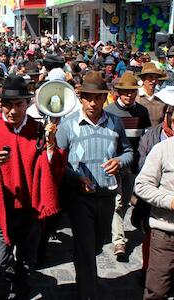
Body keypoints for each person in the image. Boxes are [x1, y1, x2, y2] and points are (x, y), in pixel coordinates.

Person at [0, 76, 66, 299]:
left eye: (19, 104)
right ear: (1, 104)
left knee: (25, 264)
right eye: (8, 104)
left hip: (29, 210)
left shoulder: (39, 130)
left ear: (27, 104)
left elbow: (53, 170)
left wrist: (51, 147)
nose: (13, 110)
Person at [56, 71, 133, 300]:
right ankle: (87, 292)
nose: (92, 102)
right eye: (87, 97)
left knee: (98, 242)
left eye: (97, 97)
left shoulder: (115, 123)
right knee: (85, 245)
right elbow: (57, 164)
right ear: (81, 97)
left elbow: (128, 152)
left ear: (104, 98)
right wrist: (75, 178)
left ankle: (85, 277)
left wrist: (119, 162)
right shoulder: (68, 125)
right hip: (79, 198)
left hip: (107, 195)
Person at [104, 71, 151, 258]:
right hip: (115, 164)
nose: (129, 95)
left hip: (133, 165)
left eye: (132, 91)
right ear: (118, 92)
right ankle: (119, 241)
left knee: (124, 202)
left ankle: (117, 228)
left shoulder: (142, 111)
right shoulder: (110, 112)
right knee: (118, 202)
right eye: (125, 91)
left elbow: (144, 137)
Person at [134, 136, 174, 300]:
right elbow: (142, 185)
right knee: (157, 291)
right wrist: (170, 201)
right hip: (166, 234)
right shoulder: (162, 149)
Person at [136, 62, 166, 127]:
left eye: (156, 77)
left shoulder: (162, 98)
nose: (153, 81)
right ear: (143, 79)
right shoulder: (135, 98)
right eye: (150, 77)